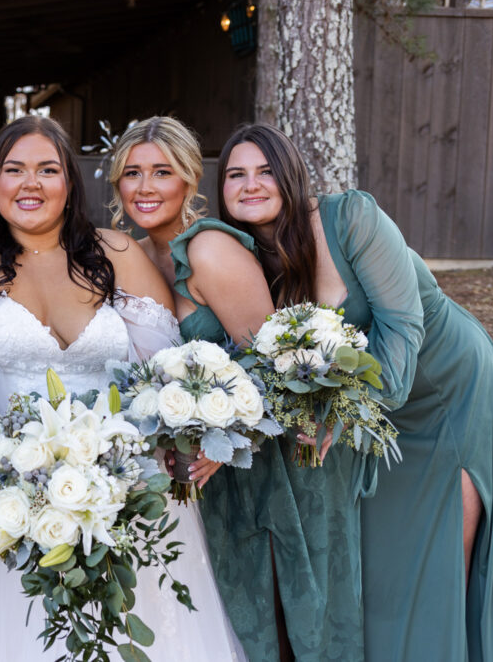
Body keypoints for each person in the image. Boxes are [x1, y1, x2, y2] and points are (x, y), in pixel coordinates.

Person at [0, 115, 246, 661]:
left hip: (124, 491)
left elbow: (165, 372)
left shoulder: (117, 254)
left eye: (47, 170)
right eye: (14, 169)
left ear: (70, 184)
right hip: (3, 497)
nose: (30, 183)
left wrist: (197, 440)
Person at [218, 123, 493, 662]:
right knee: (384, 572)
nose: (251, 185)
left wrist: (345, 414)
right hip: (365, 417)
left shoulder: (351, 217)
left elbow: (401, 325)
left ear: (291, 176)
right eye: (236, 174)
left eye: (265, 171)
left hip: (444, 391)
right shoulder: (250, 257)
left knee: (436, 566)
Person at [113, 116, 367, 661]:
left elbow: (274, 371)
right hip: (196, 472)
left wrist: (222, 441)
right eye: (132, 173)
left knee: (275, 615)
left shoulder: (208, 249)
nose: (145, 187)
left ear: (188, 180)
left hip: (264, 464)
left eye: (161, 172)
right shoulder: (129, 257)